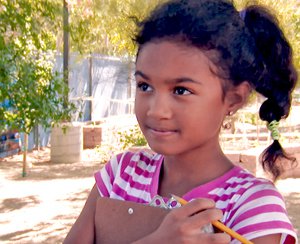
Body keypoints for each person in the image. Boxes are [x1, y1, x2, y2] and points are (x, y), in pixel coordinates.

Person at [64, 0, 298, 243]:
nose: (156, 111)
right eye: (145, 86)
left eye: (181, 90)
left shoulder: (252, 206)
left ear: (233, 99)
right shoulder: (120, 175)